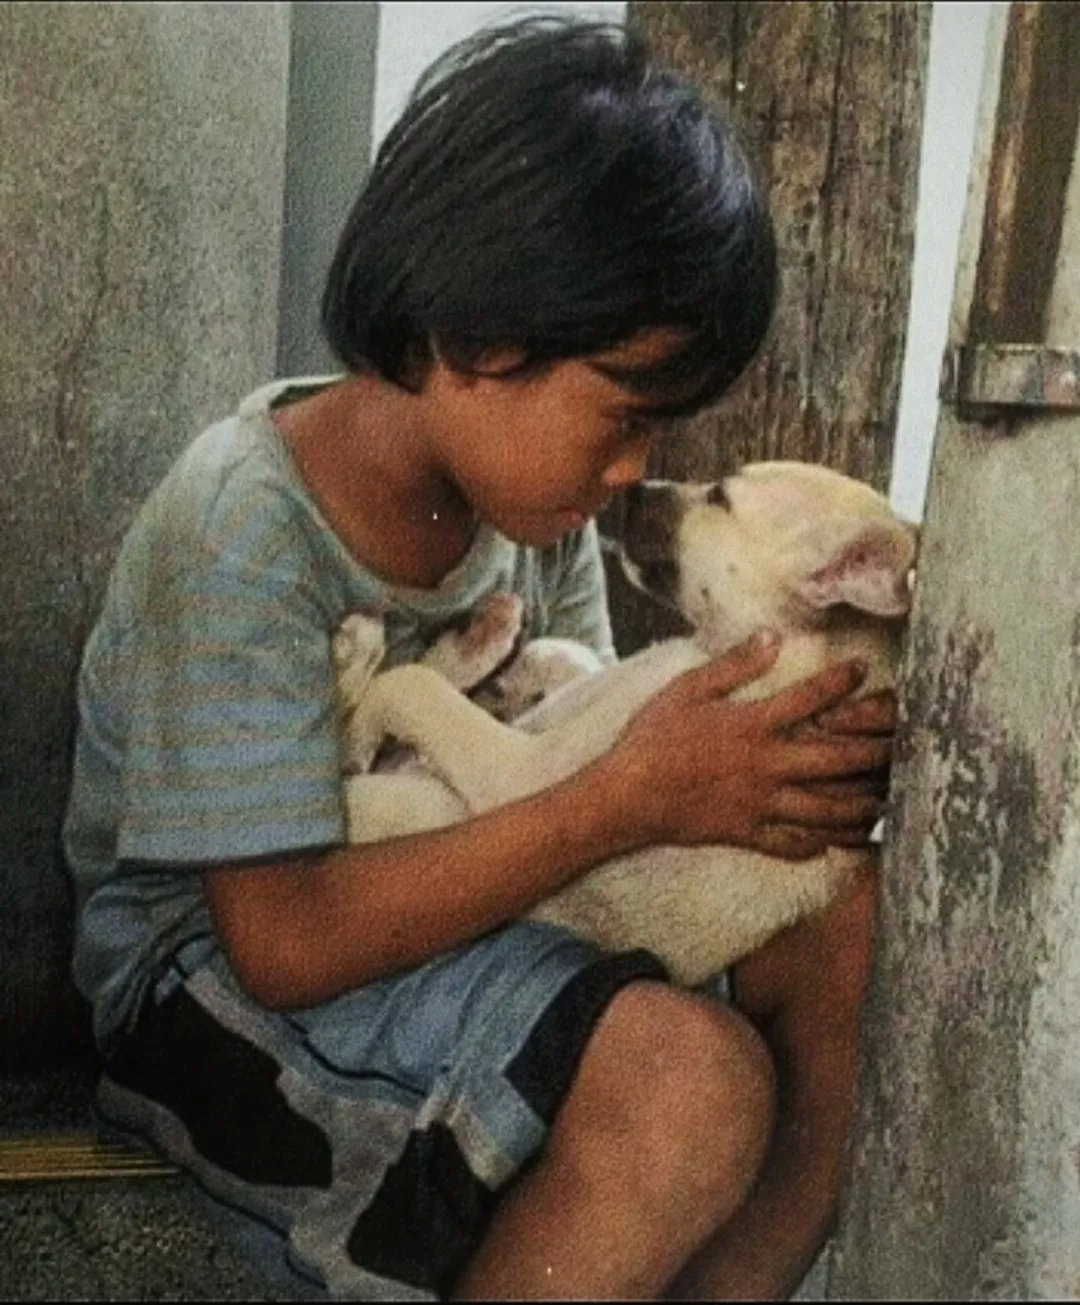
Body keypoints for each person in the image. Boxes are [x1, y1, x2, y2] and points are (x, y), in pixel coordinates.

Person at [64, 16, 893, 1301]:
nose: (633, 472)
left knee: (840, 921)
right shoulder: (244, 525)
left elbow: (571, 779)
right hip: (209, 984)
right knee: (688, 1083)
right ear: (479, 337)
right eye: (623, 415)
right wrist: (633, 795)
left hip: (458, 900)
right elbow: (282, 944)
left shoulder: (525, 509)